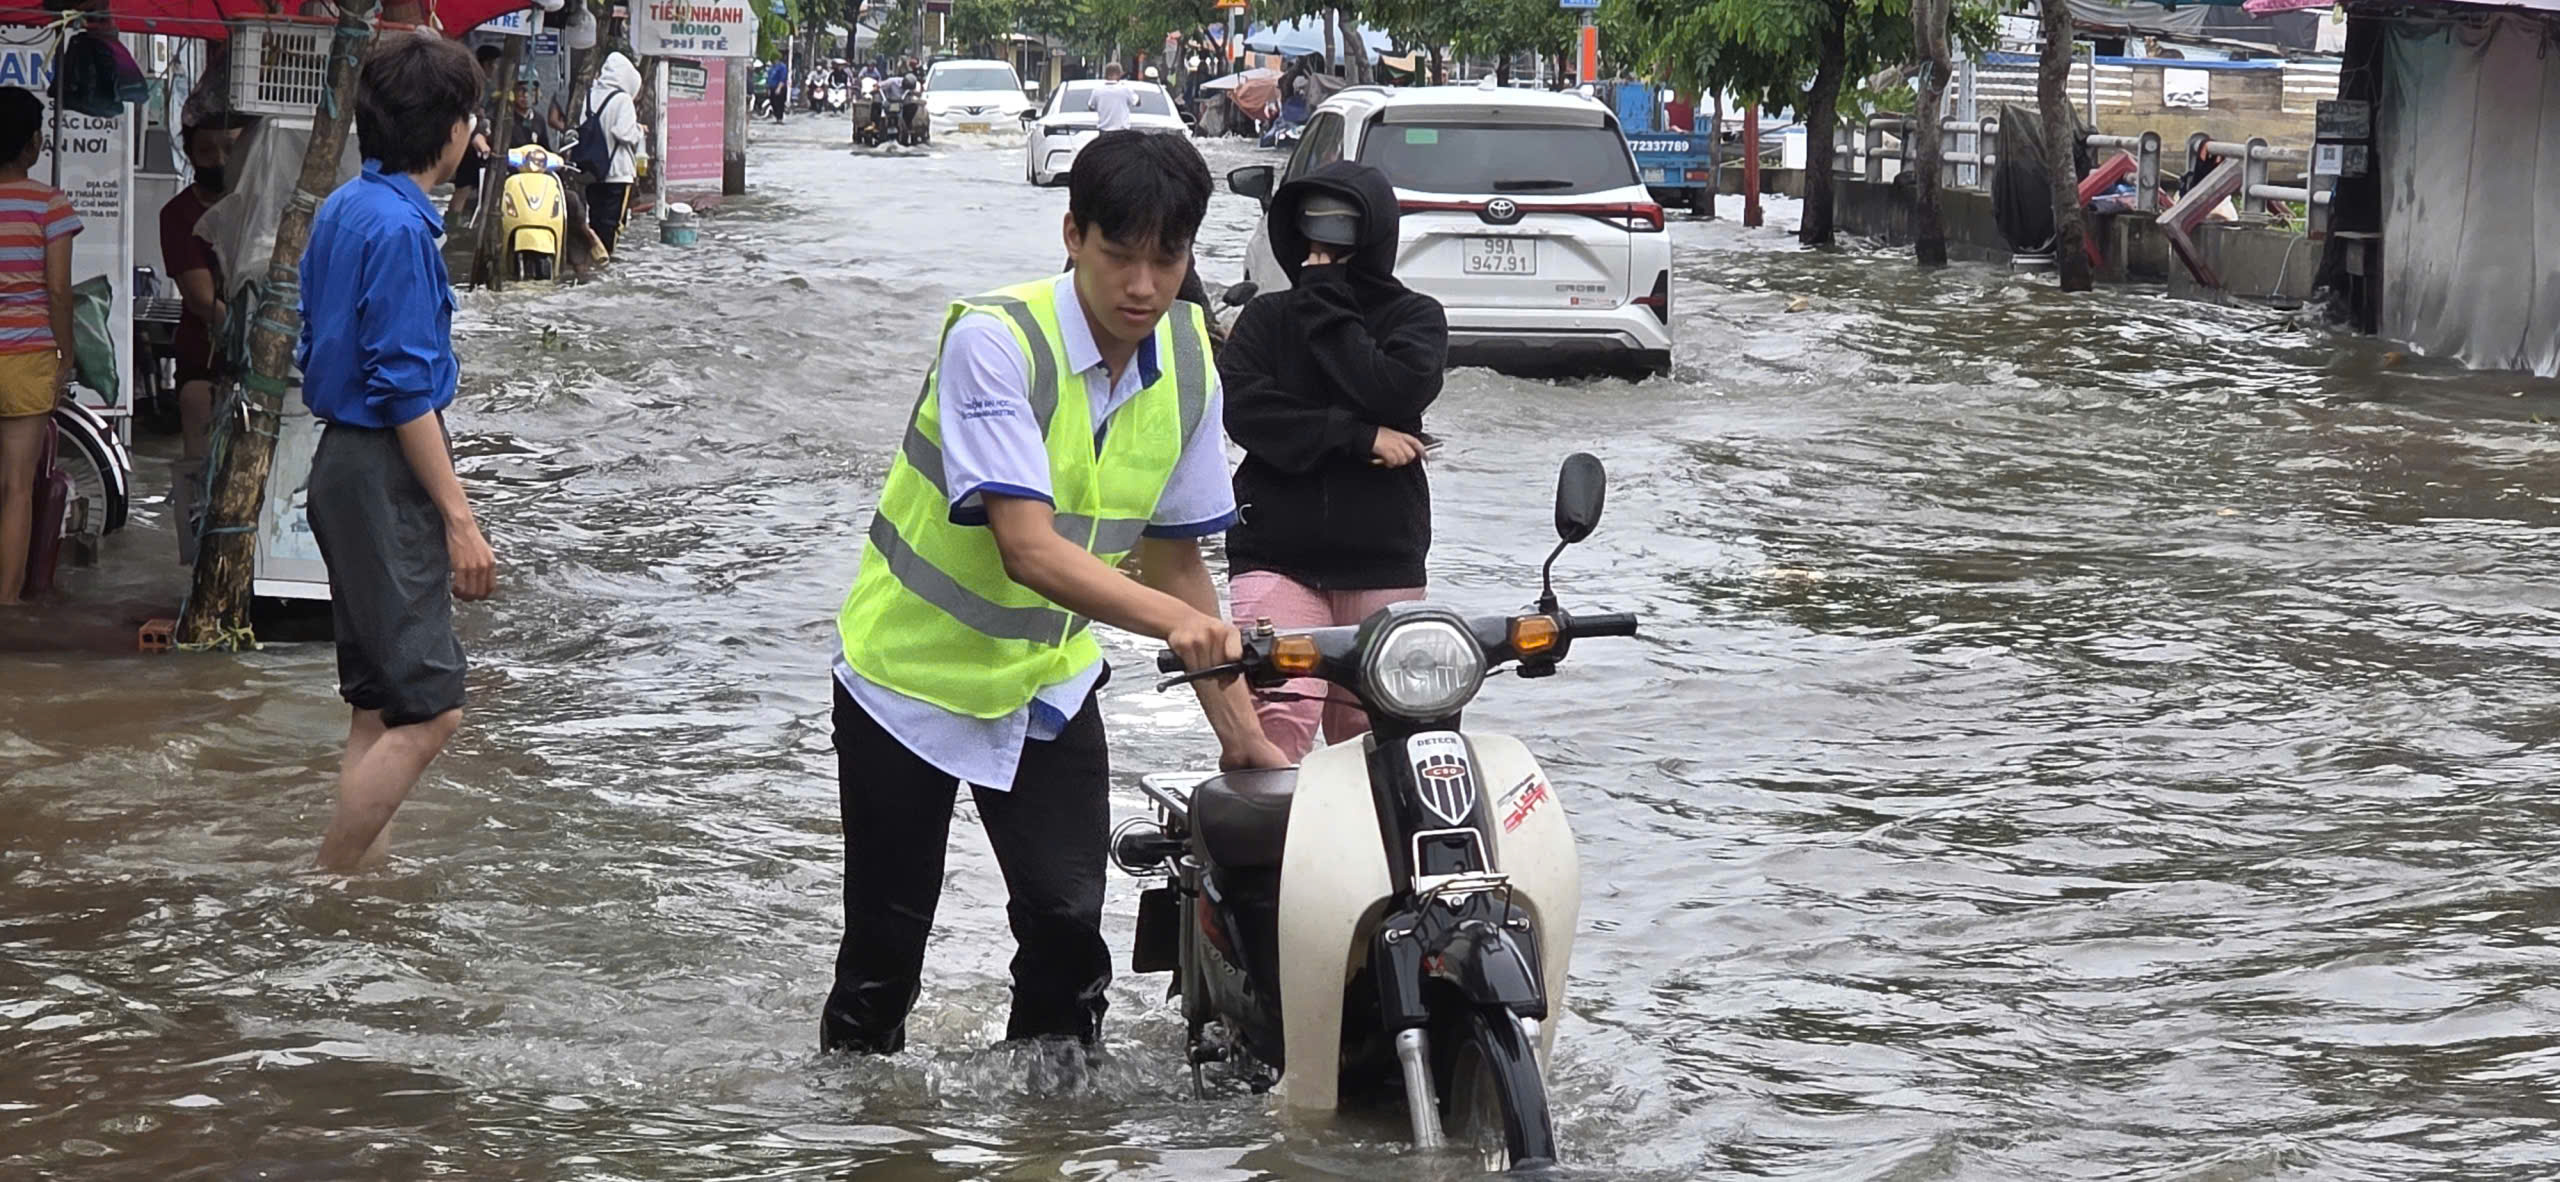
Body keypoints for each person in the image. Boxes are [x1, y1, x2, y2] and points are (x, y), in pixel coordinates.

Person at [822, 130, 1287, 1056]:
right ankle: (857, 1120)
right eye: (1119, 255)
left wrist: (1242, 738)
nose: (1143, 287)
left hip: (1045, 680)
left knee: (1070, 935)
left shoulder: (1189, 359)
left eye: (1167, 259)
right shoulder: (994, 342)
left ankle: (1051, 1121)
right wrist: (1183, 625)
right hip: (905, 682)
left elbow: (1176, 560)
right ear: (1072, 235)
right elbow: (1028, 550)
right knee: (884, 957)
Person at [295, 34, 497, 872]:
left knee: (377, 703)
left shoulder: (344, 207)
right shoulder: (404, 231)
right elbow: (406, 390)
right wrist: (460, 520)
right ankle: (326, 880)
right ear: (447, 130)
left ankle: (362, 893)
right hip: (382, 467)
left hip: (340, 464)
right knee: (433, 708)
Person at [1217, 161, 1446, 759]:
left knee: (1376, 737)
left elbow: (1393, 389)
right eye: (1311, 235)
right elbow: (1246, 413)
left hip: (1382, 558)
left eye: (1339, 237)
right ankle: (1266, 824)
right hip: (1276, 555)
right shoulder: (1266, 319)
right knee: (1279, 719)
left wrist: (1326, 304)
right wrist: (1358, 437)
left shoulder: (1415, 319)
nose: (1323, 251)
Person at [0, 88, 77, 608]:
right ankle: (6, 607)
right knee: (17, 488)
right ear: (32, 143)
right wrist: (65, 353)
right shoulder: (49, 204)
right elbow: (58, 289)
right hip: (27, 355)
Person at [161, 119, 239, 566]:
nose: (219, 160)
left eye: (229, 149)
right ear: (189, 154)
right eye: (207, 150)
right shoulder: (178, 215)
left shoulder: (261, 205)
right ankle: (203, 561)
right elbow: (200, 299)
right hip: (204, 355)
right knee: (202, 457)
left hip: (265, 356)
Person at [583, 52, 646, 257]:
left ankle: (594, 258)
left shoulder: (590, 95)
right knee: (612, 223)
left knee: (595, 219)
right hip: (617, 172)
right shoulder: (623, 99)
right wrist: (639, 131)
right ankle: (606, 260)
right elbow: (624, 133)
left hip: (593, 170)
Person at [445, 43, 505, 222]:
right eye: (494, 65)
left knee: (468, 186)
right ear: (487, 64)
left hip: (473, 137)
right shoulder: (475, 84)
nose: (496, 69)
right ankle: (453, 223)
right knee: (464, 186)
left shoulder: (482, 84)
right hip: (470, 140)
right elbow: (471, 112)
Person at [1091, 61, 1136, 132]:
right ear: (1119, 74)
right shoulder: (1125, 89)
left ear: (1106, 75)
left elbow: (1091, 106)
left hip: (1104, 131)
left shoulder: (1097, 90)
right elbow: (1136, 102)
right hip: (1122, 131)